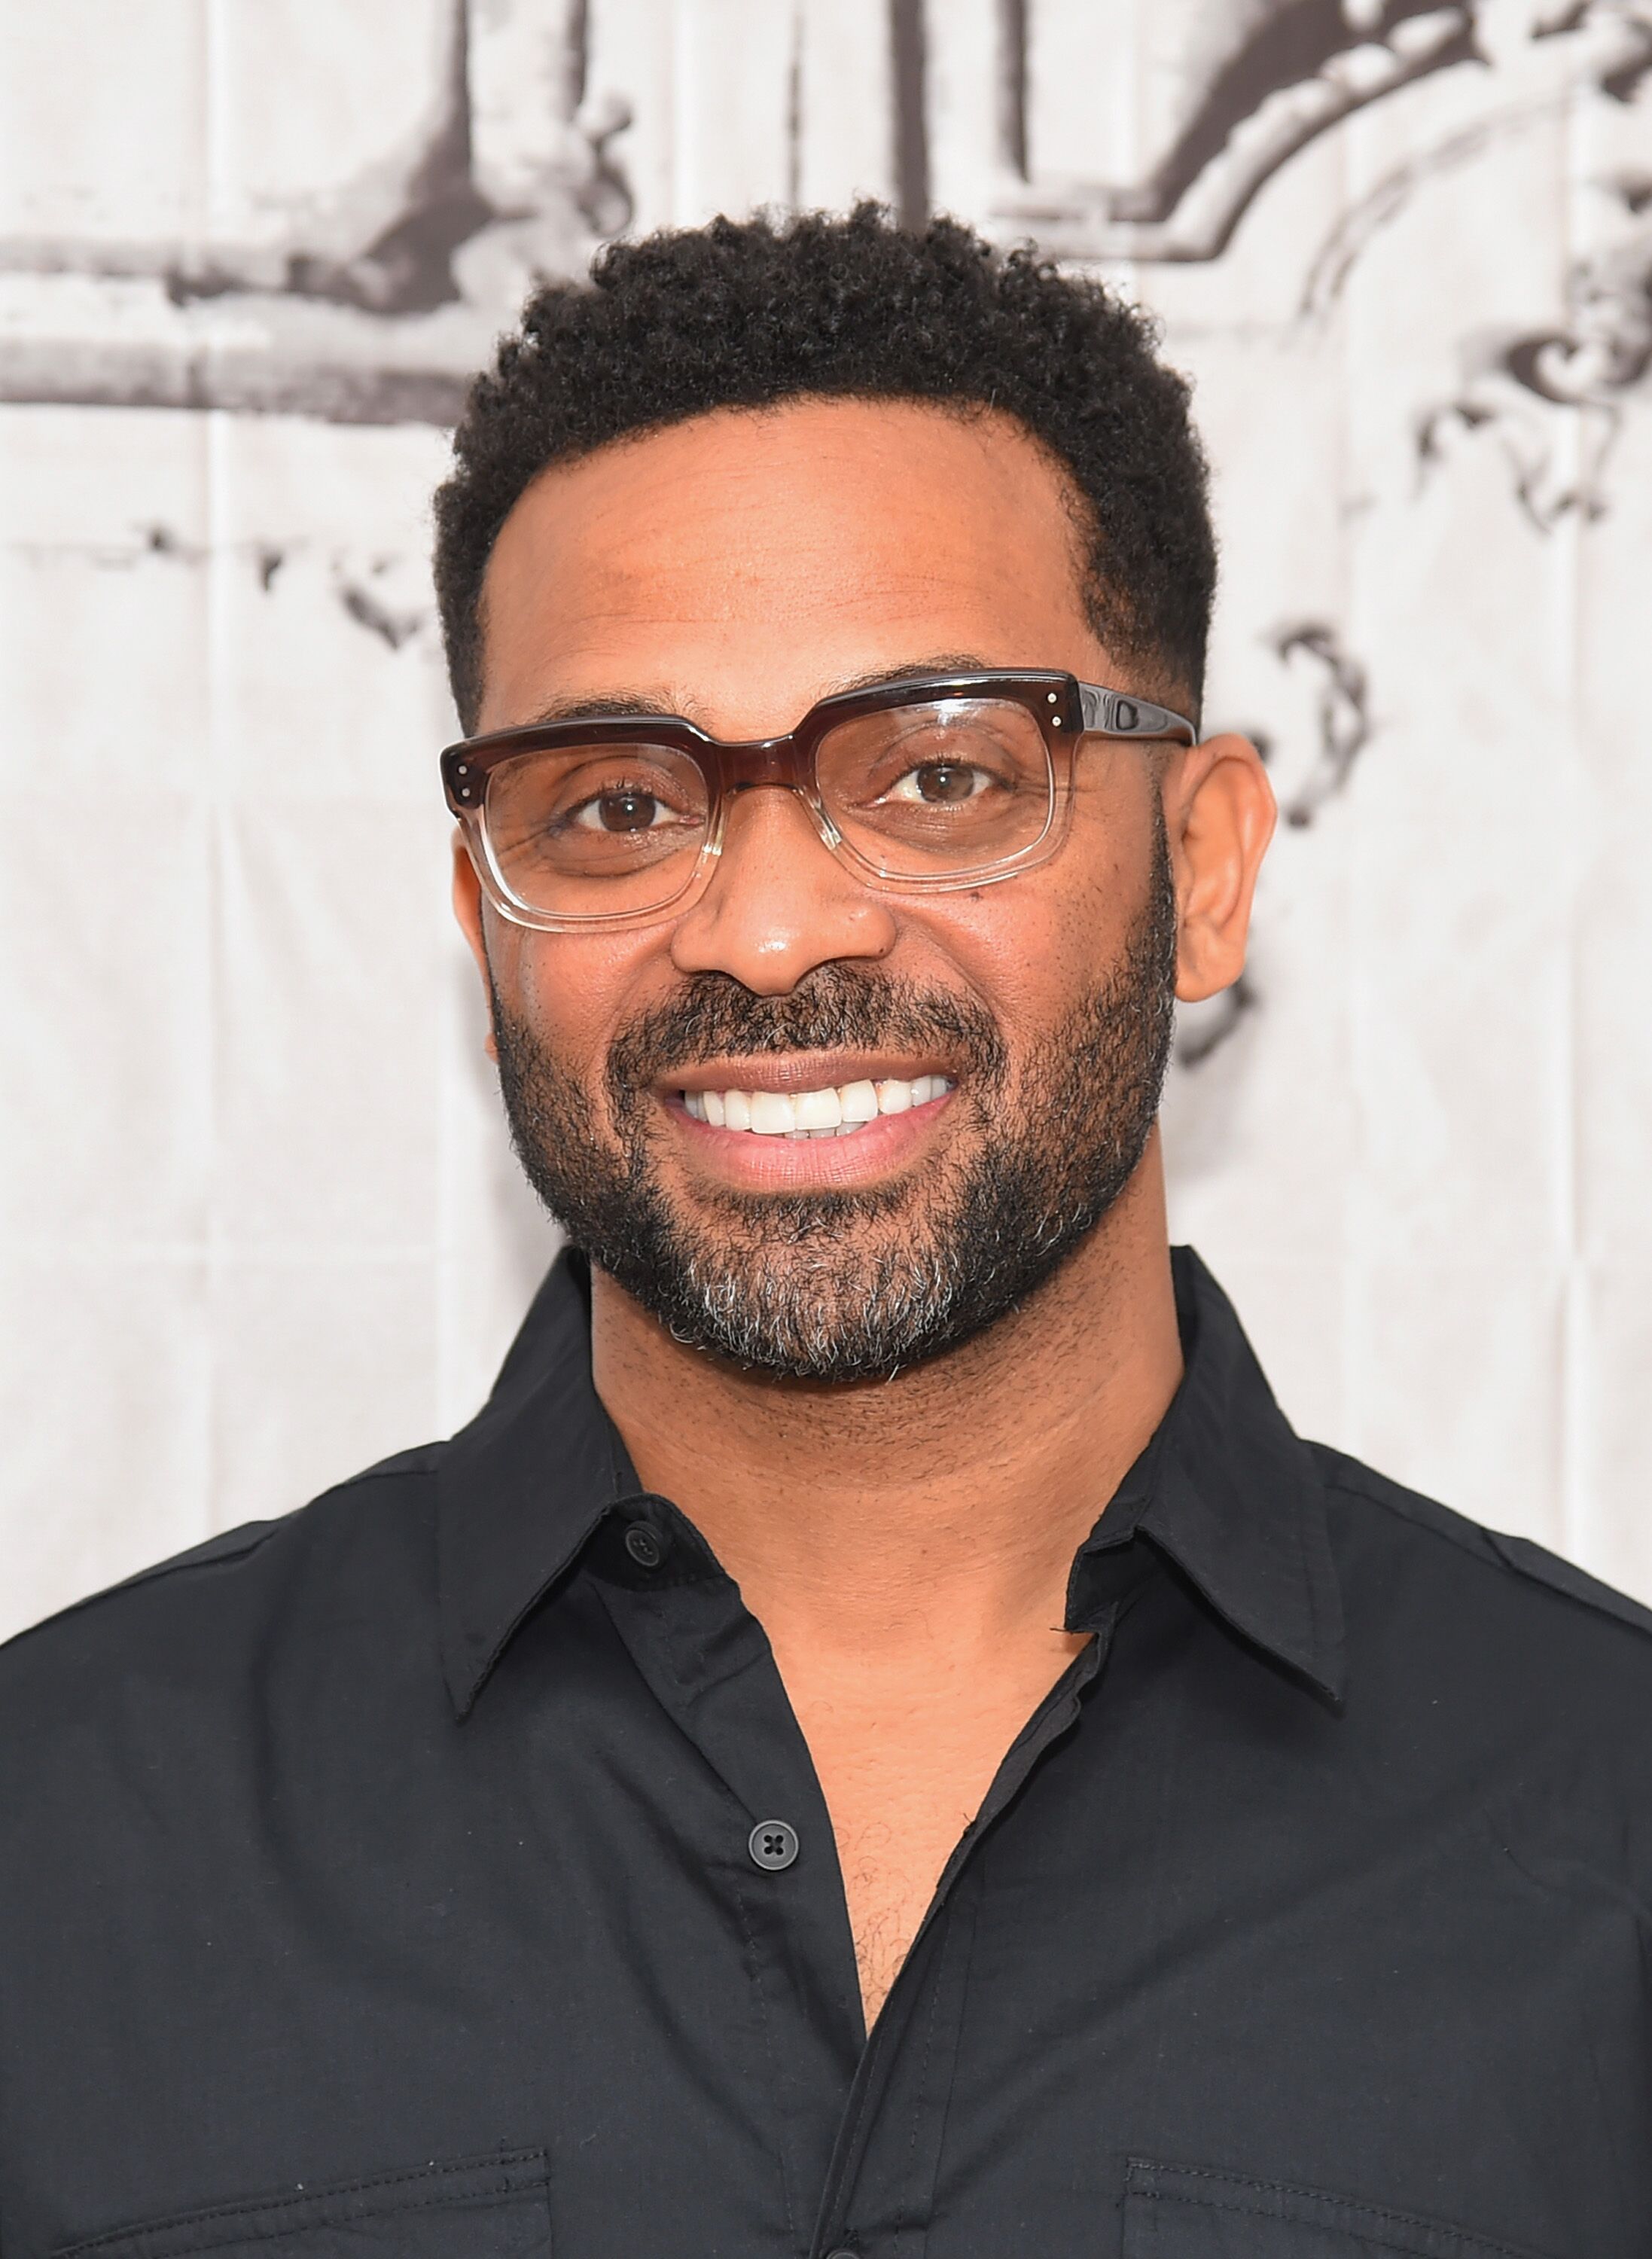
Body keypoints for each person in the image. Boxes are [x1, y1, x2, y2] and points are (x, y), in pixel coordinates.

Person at [2, 206, 1647, 2259]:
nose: (768, 928)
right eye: (612, 805)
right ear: (481, 915)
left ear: (1204, 866)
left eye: (942, 774)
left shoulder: (1606, 1833)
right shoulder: (57, 1843)